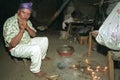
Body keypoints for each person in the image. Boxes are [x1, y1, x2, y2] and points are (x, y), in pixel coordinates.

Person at [3, 2, 50, 77]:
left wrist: (27, 27)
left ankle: (42, 57)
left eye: (29, 14)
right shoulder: (9, 22)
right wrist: (21, 30)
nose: (26, 16)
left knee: (45, 39)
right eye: (23, 12)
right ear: (18, 11)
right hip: (16, 48)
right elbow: (13, 44)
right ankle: (35, 70)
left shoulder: (27, 21)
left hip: (27, 41)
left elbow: (34, 35)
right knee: (36, 48)